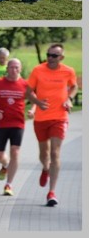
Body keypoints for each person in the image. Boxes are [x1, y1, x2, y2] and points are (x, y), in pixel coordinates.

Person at [26, 44, 78, 207]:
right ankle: (45, 168)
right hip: (41, 118)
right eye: (49, 54)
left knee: (55, 153)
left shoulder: (68, 71)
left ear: (61, 57)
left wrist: (69, 98)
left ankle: (51, 192)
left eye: (54, 56)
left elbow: (74, 86)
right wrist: (37, 103)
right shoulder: (38, 70)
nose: (50, 58)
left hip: (60, 117)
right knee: (44, 154)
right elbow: (28, 91)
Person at [0, 58, 28, 196]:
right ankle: (5, 165)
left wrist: (32, 111)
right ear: (7, 69)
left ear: (20, 69)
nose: (14, 70)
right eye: (11, 67)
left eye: (17, 67)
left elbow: (36, 100)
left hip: (18, 123)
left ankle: (9, 185)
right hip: (1, 123)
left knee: (15, 152)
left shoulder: (25, 84)